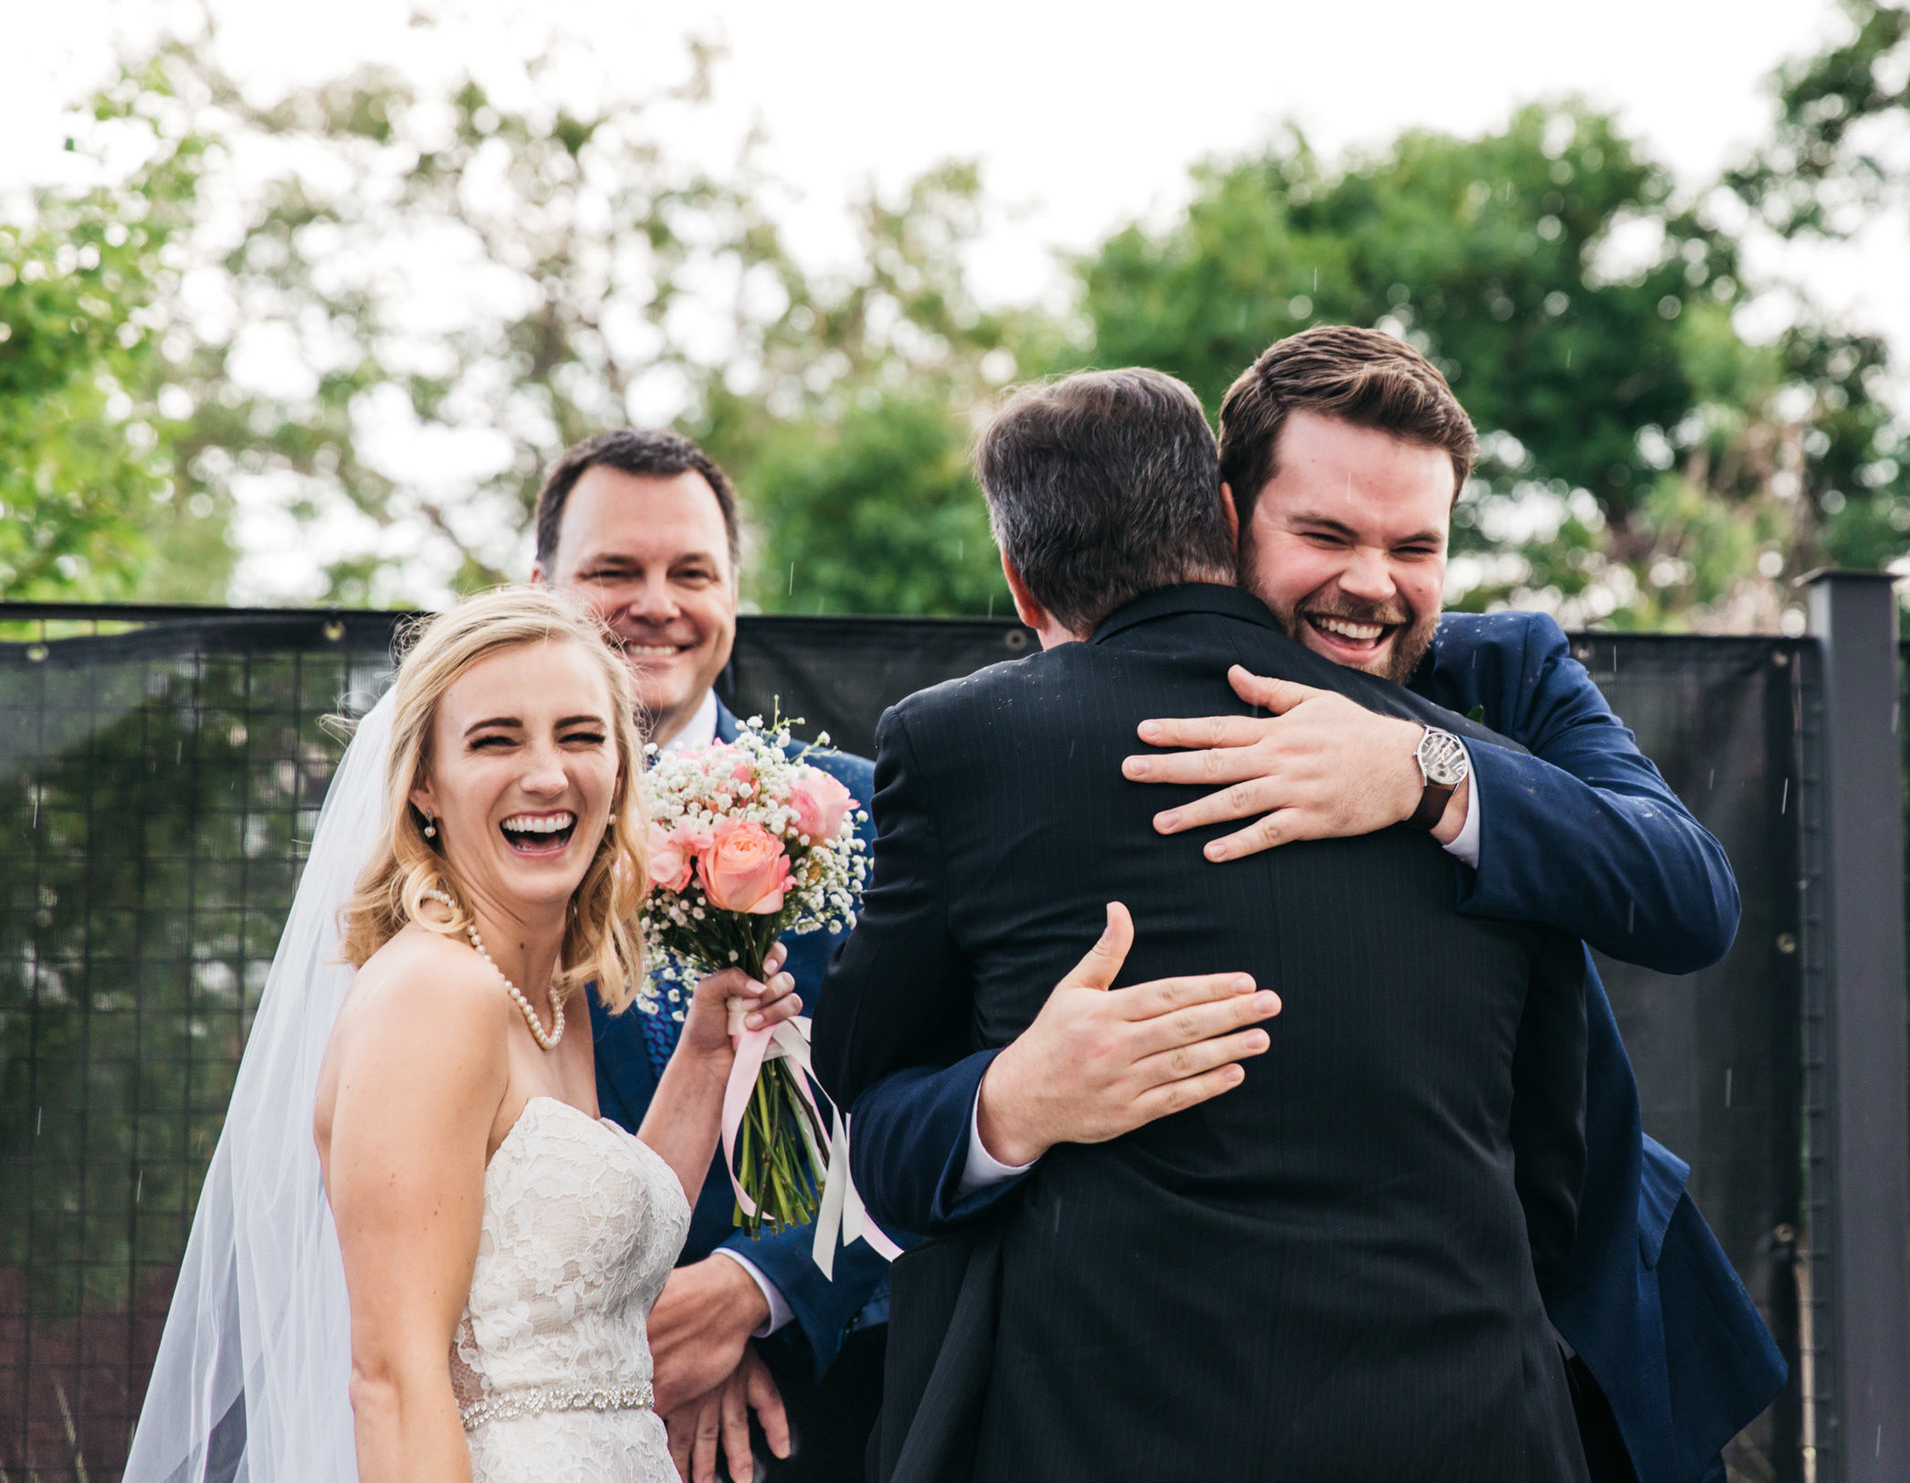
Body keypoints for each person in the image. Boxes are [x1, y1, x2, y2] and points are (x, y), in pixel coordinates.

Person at [843, 327, 1785, 1483]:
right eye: (1328, 534)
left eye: (1415, 546)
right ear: (1225, 522)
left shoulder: (1504, 684)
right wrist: (1011, 1101)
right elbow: (887, 1108)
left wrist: (1426, 774)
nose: (1372, 584)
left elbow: (1687, 895)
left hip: (1560, 1332)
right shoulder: (1037, 739)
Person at [312, 587, 807, 1479]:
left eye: (580, 736)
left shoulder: (552, 996)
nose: (546, 775)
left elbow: (583, 1291)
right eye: (496, 740)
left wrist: (706, 1054)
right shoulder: (435, 993)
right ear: (423, 782)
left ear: (621, 768)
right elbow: (393, 1379)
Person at [529, 429, 886, 1483]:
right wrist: (640, 1327)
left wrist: (753, 1292)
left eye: (691, 571)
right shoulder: (482, 835)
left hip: (830, 1405)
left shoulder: (862, 807)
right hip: (562, 1403)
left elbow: (939, 1091)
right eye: (612, 572)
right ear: (540, 585)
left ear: (734, 590)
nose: (656, 603)